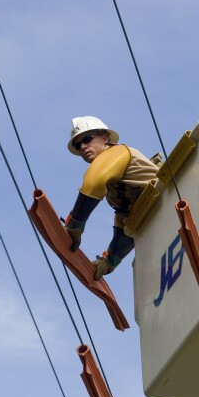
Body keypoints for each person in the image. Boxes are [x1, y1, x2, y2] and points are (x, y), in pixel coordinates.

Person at [64, 116, 159, 280]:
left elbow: (94, 182)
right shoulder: (112, 182)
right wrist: (111, 259)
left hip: (173, 202)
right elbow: (128, 219)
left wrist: (75, 223)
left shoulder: (118, 152)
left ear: (105, 138)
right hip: (161, 219)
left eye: (87, 139)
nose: (83, 147)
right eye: (78, 145)